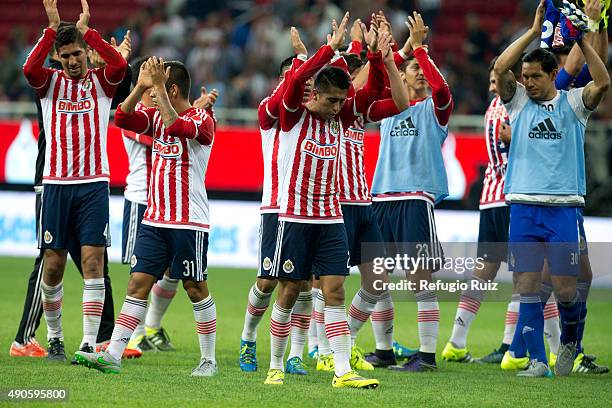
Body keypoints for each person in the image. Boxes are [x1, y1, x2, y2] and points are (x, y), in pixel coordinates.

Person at [74, 57, 218, 376]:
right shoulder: (154, 116)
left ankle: (208, 359)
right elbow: (122, 119)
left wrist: (159, 94)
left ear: (173, 89)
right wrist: (140, 84)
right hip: (154, 220)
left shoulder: (202, 118)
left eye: (156, 89)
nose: (151, 95)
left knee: (195, 287)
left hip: (188, 221)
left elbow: (177, 126)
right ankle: (113, 353)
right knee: (138, 284)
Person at [493, 0, 609, 377]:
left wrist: (582, 37)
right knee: (526, 285)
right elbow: (499, 67)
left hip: (563, 208)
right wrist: (531, 31)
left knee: (566, 289)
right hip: (524, 207)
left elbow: (603, 81)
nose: (526, 82)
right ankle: (538, 361)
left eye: (534, 77)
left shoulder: (575, 104)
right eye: (524, 76)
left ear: (552, 74)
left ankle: (571, 342)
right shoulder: (518, 103)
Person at [263, 12, 378, 389]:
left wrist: (365, 52)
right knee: (290, 289)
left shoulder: (339, 117)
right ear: (315, 95)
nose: (337, 107)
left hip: (331, 217)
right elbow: (296, 79)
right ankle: (276, 365)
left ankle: (342, 370)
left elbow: (366, 89)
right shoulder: (293, 115)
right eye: (331, 100)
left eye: (341, 101)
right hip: (295, 216)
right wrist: (330, 48)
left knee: (334, 291)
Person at [22, 0, 127, 361]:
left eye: (77, 53)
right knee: (52, 264)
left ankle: (86, 342)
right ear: (58, 56)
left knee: (94, 262)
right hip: (56, 185)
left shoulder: (101, 83)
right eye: (65, 55)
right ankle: (54, 338)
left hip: (94, 185)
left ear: (85, 52)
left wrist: (88, 33)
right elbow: (28, 67)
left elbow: (119, 64)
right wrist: (52, 28)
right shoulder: (49, 83)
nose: (72, 60)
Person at [442, 57, 561, 366]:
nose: (495, 86)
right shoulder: (514, 109)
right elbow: (521, 156)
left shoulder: (493, 109)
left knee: (485, 271)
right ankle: (532, 348)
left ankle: (456, 341)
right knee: (532, 275)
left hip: (490, 198)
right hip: (512, 198)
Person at [366, 11, 453, 372]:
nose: (418, 71)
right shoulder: (388, 107)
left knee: (419, 278)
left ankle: (427, 356)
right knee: (376, 279)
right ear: (400, 77)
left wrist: (420, 51)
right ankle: (384, 351)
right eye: (412, 68)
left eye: (422, 68)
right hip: (382, 197)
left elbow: (443, 89)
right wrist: (393, 49)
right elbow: (378, 79)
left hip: (415, 199)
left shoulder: (435, 108)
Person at [238, 28, 313, 375]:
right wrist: (300, 64)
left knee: (301, 283)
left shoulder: (315, 116)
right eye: (293, 78)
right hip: (275, 207)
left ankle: (296, 352)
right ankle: (248, 338)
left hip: (308, 208)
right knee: (267, 282)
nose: (300, 85)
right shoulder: (269, 109)